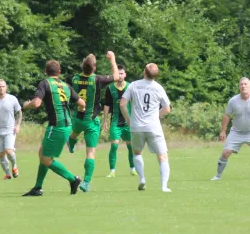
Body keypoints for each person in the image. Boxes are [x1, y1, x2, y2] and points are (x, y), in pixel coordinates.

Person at [22, 60, 86, 196]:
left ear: (46, 71)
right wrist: (77, 112)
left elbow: (37, 103)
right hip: (66, 125)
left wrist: (26, 105)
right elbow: (82, 103)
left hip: (57, 127)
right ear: (59, 72)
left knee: (46, 159)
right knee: (42, 153)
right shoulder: (66, 86)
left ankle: (72, 179)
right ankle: (37, 187)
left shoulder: (45, 83)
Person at [67, 51, 119, 192]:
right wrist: (112, 59)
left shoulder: (73, 78)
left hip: (77, 118)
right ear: (94, 68)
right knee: (90, 153)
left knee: (75, 132)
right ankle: (86, 182)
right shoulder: (97, 80)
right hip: (91, 121)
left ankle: (71, 141)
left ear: (82, 65)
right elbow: (116, 76)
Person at [120, 63, 172, 192]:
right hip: (153, 127)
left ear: (144, 72)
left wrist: (128, 119)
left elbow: (122, 104)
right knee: (162, 156)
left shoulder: (133, 85)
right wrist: (156, 116)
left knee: (137, 153)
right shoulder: (158, 88)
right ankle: (164, 186)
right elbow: (167, 108)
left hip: (136, 126)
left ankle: (142, 178)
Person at [103, 65, 137, 177]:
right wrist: (105, 120)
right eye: (118, 73)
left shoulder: (131, 87)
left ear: (125, 74)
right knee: (114, 146)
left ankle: (133, 169)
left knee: (131, 146)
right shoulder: (110, 88)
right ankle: (112, 171)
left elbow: (136, 103)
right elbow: (107, 105)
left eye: (122, 73)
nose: (120, 75)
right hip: (115, 122)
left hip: (128, 122)